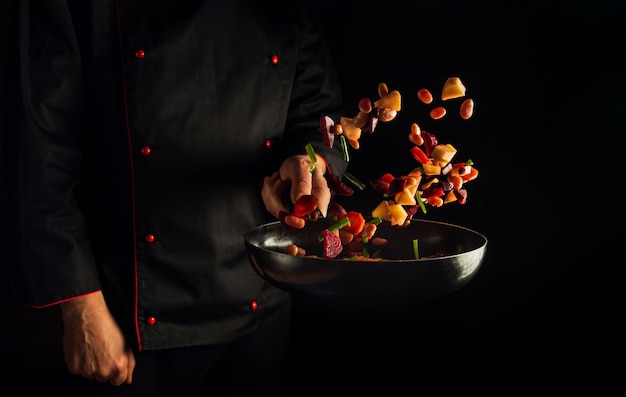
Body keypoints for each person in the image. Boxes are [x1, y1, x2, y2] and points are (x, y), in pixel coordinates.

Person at [2, 0, 347, 395]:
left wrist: (308, 165)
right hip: (126, 316)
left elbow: (315, 110)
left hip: (260, 301)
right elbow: (40, 149)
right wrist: (80, 306)